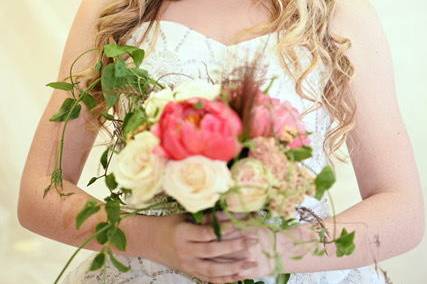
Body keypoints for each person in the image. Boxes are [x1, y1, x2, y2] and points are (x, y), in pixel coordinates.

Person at [18, 0, 424, 283]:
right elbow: (39, 194)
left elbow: (403, 208)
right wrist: (154, 239)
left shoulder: (337, 15)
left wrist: (279, 249)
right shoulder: (116, 10)